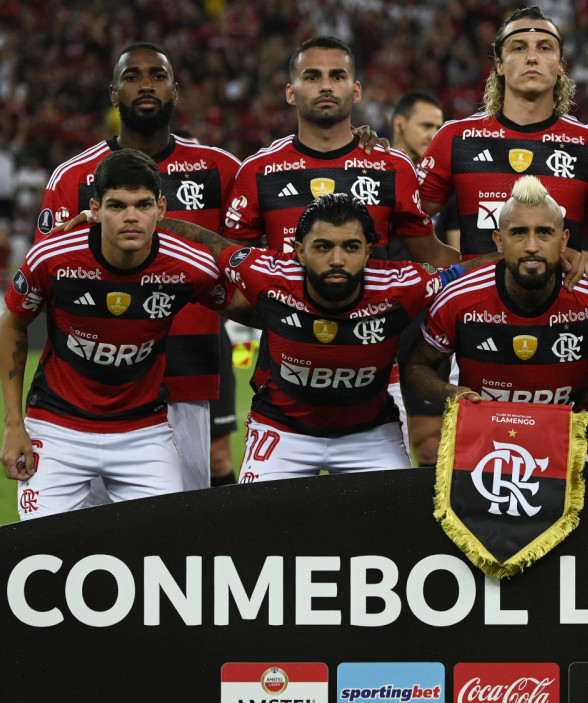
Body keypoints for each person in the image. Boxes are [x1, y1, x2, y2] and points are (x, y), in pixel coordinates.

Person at [161, 193, 494, 482]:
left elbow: (473, 270)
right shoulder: (264, 272)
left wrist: (533, 256)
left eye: (351, 247)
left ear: (369, 252)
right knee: (257, 531)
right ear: (299, 251)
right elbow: (207, 242)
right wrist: (148, 224)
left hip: (370, 435)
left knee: (395, 531)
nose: (337, 260)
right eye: (323, 247)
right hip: (282, 431)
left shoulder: (403, 285)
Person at [34, 43, 240, 494]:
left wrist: (357, 145)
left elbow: (270, 241)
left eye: (157, 75)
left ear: (175, 91)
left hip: (188, 371)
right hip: (94, 387)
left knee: (174, 530)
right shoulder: (73, 177)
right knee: (88, 529)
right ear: (114, 93)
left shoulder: (221, 170)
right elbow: (41, 282)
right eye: (132, 77)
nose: (146, 84)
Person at [0, 150, 231, 519]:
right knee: (42, 552)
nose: (131, 217)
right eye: (117, 205)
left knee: (164, 556)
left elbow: (256, 307)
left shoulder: (190, 264)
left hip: (143, 434)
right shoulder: (53, 257)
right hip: (57, 429)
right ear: (95, 207)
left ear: (162, 207)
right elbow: (12, 322)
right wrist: (14, 425)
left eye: (142, 205)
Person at [402, 176, 588, 461]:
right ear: (499, 241)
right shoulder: (458, 297)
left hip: (576, 443)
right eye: (518, 233)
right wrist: (449, 392)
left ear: (564, 239)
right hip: (485, 444)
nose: (532, 246)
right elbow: (417, 365)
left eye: (544, 233)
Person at [416, 6, 588, 267]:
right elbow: (402, 220)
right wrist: (455, 268)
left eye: (545, 47)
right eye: (519, 47)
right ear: (499, 65)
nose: (532, 57)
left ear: (561, 66)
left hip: (563, 306)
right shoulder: (455, 138)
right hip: (478, 306)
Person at [224, 36, 456, 267]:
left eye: (337, 76)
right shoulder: (258, 171)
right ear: (290, 93)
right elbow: (232, 265)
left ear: (356, 91)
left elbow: (434, 257)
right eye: (312, 77)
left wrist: (489, 265)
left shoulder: (393, 167)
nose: (326, 86)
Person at [388, 91, 454, 467]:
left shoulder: (445, 186)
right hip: (380, 321)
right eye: (426, 125)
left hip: (427, 324)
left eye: (439, 126)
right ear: (399, 124)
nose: (434, 134)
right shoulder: (376, 171)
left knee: (430, 447)